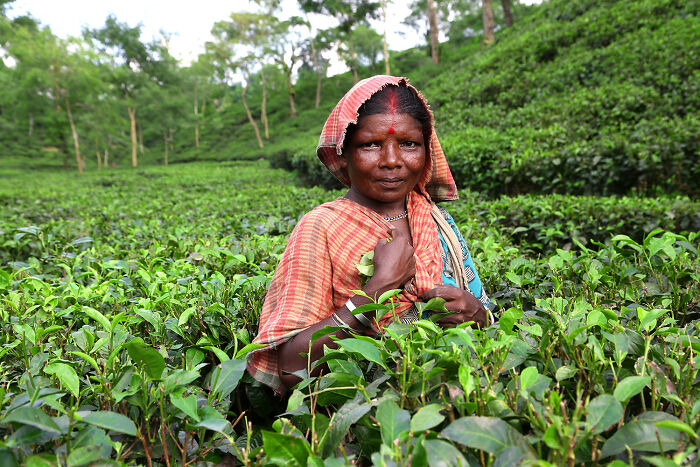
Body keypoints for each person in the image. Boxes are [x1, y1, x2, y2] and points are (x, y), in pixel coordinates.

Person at [247, 75, 491, 394]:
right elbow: (291, 366)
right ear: (344, 152)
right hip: (363, 421)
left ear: (426, 151)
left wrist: (477, 314)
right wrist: (376, 290)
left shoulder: (437, 218)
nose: (392, 161)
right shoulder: (321, 227)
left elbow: (484, 316)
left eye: (408, 144)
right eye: (370, 145)